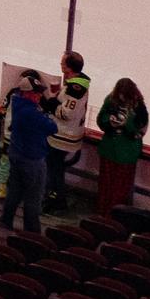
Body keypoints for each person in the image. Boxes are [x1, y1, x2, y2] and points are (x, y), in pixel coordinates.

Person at [0, 70, 57, 233]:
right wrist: (47, 115)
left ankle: (5, 220)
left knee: (15, 191)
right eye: (36, 93)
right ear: (27, 93)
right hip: (32, 159)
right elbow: (52, 127)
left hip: (17, 155)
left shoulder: (17, 104)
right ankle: (32, 232)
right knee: (33, 197)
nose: (39, 96)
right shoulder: (31, 113)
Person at [91, 78, 146, 214]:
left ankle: (114, 216)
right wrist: (110, 121)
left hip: (126, 154)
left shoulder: (139, 107)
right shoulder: (111, 100)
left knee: (120, 188)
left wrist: (126, 124)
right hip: (109, 150)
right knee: (105, 185)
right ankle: (102, 213)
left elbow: (140, 130)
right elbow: (101, 119)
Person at [44, 51, 90, 213]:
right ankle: (55, 198)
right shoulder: (75, 84)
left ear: (69, 67)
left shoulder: (75, 88)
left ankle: (56, 201)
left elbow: (66, 113)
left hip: (62, 137)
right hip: (65, 135)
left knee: (54, 170)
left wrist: (51, 105)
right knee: (55, 170)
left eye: (63, 63)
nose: (60, 65)